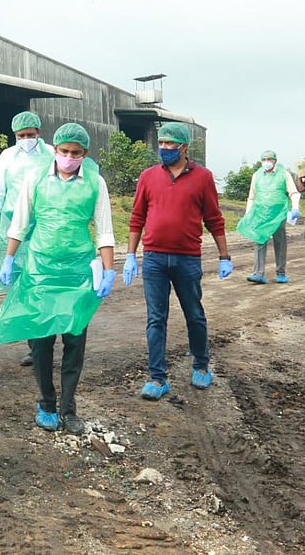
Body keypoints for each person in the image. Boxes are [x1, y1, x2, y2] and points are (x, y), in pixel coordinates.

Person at [0, 123, 115, 435]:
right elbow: (20, 222)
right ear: (55, 150)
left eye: (76, 153)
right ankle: (46, 402)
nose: (68, 157)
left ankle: (69, 407)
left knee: (75, 341)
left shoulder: (94, 183)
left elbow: (104, 230)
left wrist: (109, 267)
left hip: (77, 272)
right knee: (41, 340)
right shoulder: (36, 178)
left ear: (85, 154)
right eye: (64, 151)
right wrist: (8, 258)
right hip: (40, 269)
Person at [122, 122, 232, 401]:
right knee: (156, 319)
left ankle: (201, 365)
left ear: (184, 146)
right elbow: (137, 218)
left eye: (171, 144)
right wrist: (131, 255)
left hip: (187, 259)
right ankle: (158, 378)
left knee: (194, 313)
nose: (165, 148)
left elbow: (214, 219)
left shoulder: (203, 177)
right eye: (161, 143)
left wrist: (224, 255)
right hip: (155, 259)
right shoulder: (148, 176)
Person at [0, 111, 55, 367]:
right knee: (23, 291)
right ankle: (35, 346)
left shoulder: (53, 154)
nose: (25, 139)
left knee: (43, 287)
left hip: (45, 229)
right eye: (20, 136)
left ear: (39, 134)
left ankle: (45, 342)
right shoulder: (7, 157)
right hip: (13, 230)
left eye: (30, 135)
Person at [236, 150, 300, 284]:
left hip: (278, 213)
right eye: (264, 159)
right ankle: (258, 273)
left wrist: (295, 207)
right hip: (261, 213)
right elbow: (252, 197)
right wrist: (248, 214)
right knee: (259, 239)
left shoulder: (284, 174)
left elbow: (293, 192)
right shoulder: (257, 175)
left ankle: (281, 273)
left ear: (275, 161)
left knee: (279, 241)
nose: (266, 162)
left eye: (269, 159)